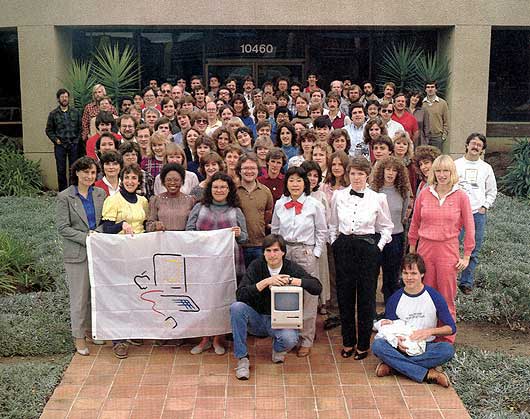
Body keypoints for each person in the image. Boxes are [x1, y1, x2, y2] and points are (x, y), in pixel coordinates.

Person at [231, 234, 322, 380]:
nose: (272, 255)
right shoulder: (256, 266)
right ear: (263, 252)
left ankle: (278, 349)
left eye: (275, 250)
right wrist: (266, 282)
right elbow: (240, 294)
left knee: (290, 339)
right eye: (268, 251)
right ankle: (242, 358)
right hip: (258, 319)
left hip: (281, 322)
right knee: (236, 308)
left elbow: (317, 287)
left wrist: (292, 281)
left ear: (283, 252)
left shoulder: (290, 267)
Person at [329, 157, 393, 360]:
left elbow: (386, 227)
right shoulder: (338, 196)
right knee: (345, 297)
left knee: (366, 298)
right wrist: (335, 243)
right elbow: (332, 224)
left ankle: (363, 344)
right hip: (345, 248)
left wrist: (378, 247)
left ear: (368, 175)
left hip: (368, 249)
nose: (356, 178)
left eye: (361, 174)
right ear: (348, 174)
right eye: (353, 173)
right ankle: (348, 342)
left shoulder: (378, 198)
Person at [408, 155, 475, 343]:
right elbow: (415, 223)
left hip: (448, 250)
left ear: (452, 173)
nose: (442, 175)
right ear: (434, 173)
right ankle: (426, 335)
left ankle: (447, 338)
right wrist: (412, 251)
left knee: (446, 295)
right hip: (425, 249)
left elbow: (470, 227)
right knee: (425, 293)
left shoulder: (461, 196)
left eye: (446, 171)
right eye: (438, 171)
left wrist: (467, 255)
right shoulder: (425, 193)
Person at [187, 172, 248, 355]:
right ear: (209, 189)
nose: (219, 190)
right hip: (204, 265)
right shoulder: (199, 208)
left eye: (223, 187)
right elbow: (188, 232)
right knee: (204, 301)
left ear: (229, 190)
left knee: (223, 301)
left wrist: (238, 234)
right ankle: (204, 338)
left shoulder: (235, 211)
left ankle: (218, 338)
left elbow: (245, 237)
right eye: (215, 187)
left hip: (228, 266)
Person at [372, 253, 455, 387]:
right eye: (405, 273)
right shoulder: (395, 299)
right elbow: (390, 328)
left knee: (447, 350)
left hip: (425, 346)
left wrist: (429, 332)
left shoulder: (434, 296)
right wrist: (397, 340)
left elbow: (451, 328)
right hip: (402, 346)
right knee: (378, 346)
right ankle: (428, 374)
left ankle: (394, 367)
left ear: (422, 274)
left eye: (413, 273)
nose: (409, 277)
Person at [271, 167, 326, 357]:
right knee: (285, 294)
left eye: (299, 180)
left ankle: (306, 339)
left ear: (305, 183)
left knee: (308, 296)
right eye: (291, 180)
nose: (295, 184)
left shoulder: (314, 204)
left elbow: (321, 231)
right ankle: (288, 336)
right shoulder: (280, 204)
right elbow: (275, 230)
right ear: (286, 183)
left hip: (305, 251)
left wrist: (315, 253)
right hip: (285, 252)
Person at [57, 156, 107, 356]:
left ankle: (92, 330)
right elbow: (63, 227)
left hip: (98, 251)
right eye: (85, 172)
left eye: (93, 172)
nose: (89, 176)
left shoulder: (100, 194)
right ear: (77, 173)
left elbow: (107, 219)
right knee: (79, 297)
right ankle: (79, 337)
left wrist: (99, 234)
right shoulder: (65, 197)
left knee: (95, 295)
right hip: (77, 254)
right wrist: (86, 237)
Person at [101, 163, 149, 359]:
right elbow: (106, 228)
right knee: (119, 295)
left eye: (134, 178)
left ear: (139, 181)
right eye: (127, 177)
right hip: (118, 254)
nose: (130, 181)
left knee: (135, 293)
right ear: (122, 180)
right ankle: (118, 339)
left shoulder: (143, 201)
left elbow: (145, 224)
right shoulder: (113, 200)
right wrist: (122, 224)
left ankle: (133, 331)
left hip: (138, 253)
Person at [455, 133, 497, 295]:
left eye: (479, 145)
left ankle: (466, 282)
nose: (475, 147)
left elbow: (492, 191)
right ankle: (450, 278)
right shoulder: (456, 164)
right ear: (466, 145)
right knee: (452, 246)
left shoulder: (486, 168)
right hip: (457, 214)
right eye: (473, 143)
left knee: (473, 249)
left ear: (482, 149)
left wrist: (484, 206)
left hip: (476, 214)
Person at [370, 156, 411, 308]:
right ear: (382, 171)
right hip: (376, 237)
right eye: (388, 169)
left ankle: (390, 310)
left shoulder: (403, 192)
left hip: (395, 238)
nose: (390, 173)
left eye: (394, 170)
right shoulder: (373, 191)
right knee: (372, 276)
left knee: (391, 278)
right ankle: (371, 313)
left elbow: (402, 217)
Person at [301, 160, 331, 315]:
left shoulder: (321, 196)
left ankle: (322, 301)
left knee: (320, 272)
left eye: (315, 176)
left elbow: (327, 219)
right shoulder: (297, 194)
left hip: (318, 240)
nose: (312, 179)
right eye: (308, 175)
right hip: (302, 243)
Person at [236, 153, 274, 267]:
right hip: (238, 245)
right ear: (239, 170)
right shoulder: (233, 191)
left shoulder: (265, 191)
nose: (249, 171)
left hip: (259, 244)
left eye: (252, 168)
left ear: (258, 170)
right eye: (245, 168)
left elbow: (268, 212)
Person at [46, 88, 82, 191]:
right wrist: (55, 140)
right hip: (60, 145)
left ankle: (73, 190)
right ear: (58, 99)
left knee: (74, 169)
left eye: (66, 97)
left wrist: (77, 141)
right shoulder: (53, 114)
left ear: (68, 98)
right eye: (62, 97)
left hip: (73, 144)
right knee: (61, 169)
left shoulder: (76, 112)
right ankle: (63, 192)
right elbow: (49, 130)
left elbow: (80, 128)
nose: (64, 99)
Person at [147, 163, 196, 232]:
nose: (172, 183)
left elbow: (195, 225)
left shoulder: (191, 201)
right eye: (169, 180)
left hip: (184, 241)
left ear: (182, 182)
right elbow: (148, 225)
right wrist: (155, 226)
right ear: (163, 182)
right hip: (162, 241)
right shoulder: (155, 200)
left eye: (176, 180)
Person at [422, 81, 449, 151]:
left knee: (436, 159)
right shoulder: (421, 103)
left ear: (436, 89)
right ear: (425, 90)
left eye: (432, 87)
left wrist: (443, 136)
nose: (430, 89)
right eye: (428, 87)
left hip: (437, 137)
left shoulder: (443, 103)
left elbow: (446, 121)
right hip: (424, 137)